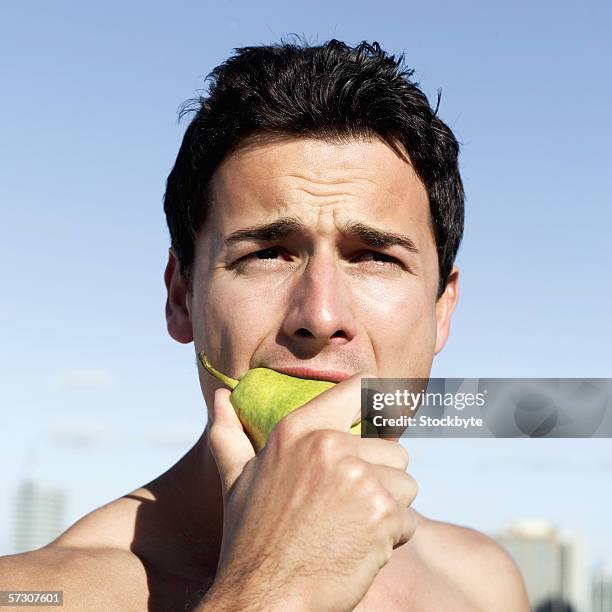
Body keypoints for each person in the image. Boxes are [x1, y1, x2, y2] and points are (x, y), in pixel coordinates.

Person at [0, 38, 530, 611]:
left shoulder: (483, 581)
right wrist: (273, 586)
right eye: (267, 254)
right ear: (181, 296)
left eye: (376, 257)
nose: (321, 317)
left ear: (440, 310)